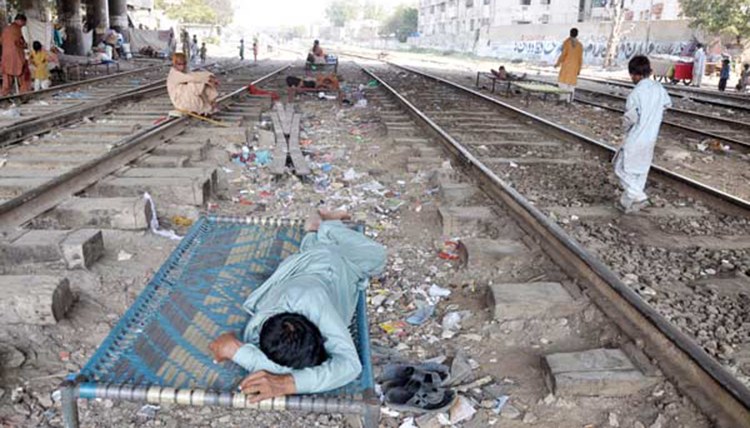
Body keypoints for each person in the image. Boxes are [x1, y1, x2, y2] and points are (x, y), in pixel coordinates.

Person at [209, 209, 386, 401]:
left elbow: (351, 366)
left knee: (376, 256)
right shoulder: (257, 332)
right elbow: (275, 367)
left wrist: (287, 383)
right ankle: (316, 231)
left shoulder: (316, 306)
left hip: (332, 265)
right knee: (321, 250)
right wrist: (234, 350)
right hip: (310, 268)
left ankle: (325, 227)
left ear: (320, 334)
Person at [614, 56, 672, 214]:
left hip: (636, 136)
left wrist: (623, 125)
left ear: (635, 74)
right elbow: (667, 104)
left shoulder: (635, 93)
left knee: (621, 168)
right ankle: (627, 203)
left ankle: (639, 198)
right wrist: (654, 114)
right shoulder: (659, 88)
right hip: (651, 136)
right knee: (640, 171)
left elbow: (631, 118)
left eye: (631, 75)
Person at [1, 14, 31, 96]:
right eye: (24, 23)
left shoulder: (6, 28)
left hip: (5, 57)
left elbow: (2, 41)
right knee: (25, 72)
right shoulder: (17, 29)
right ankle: (24, 93)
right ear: (21, 21)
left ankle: (3, 94)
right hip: (16, 56)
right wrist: (25, 45)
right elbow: (18, 42)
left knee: (7, 77)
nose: (24, 25)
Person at [555, 28, 583, 103]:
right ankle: (569, 100)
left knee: (563, 83)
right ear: (577, 34)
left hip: (566, 66)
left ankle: (562, 99)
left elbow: (563, 54)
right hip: (574, 67)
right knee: (571, 85)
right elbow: (580, 58)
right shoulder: (580, 45)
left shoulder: (566, 43)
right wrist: (579, 69)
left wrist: (557, 63)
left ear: (570, 33)